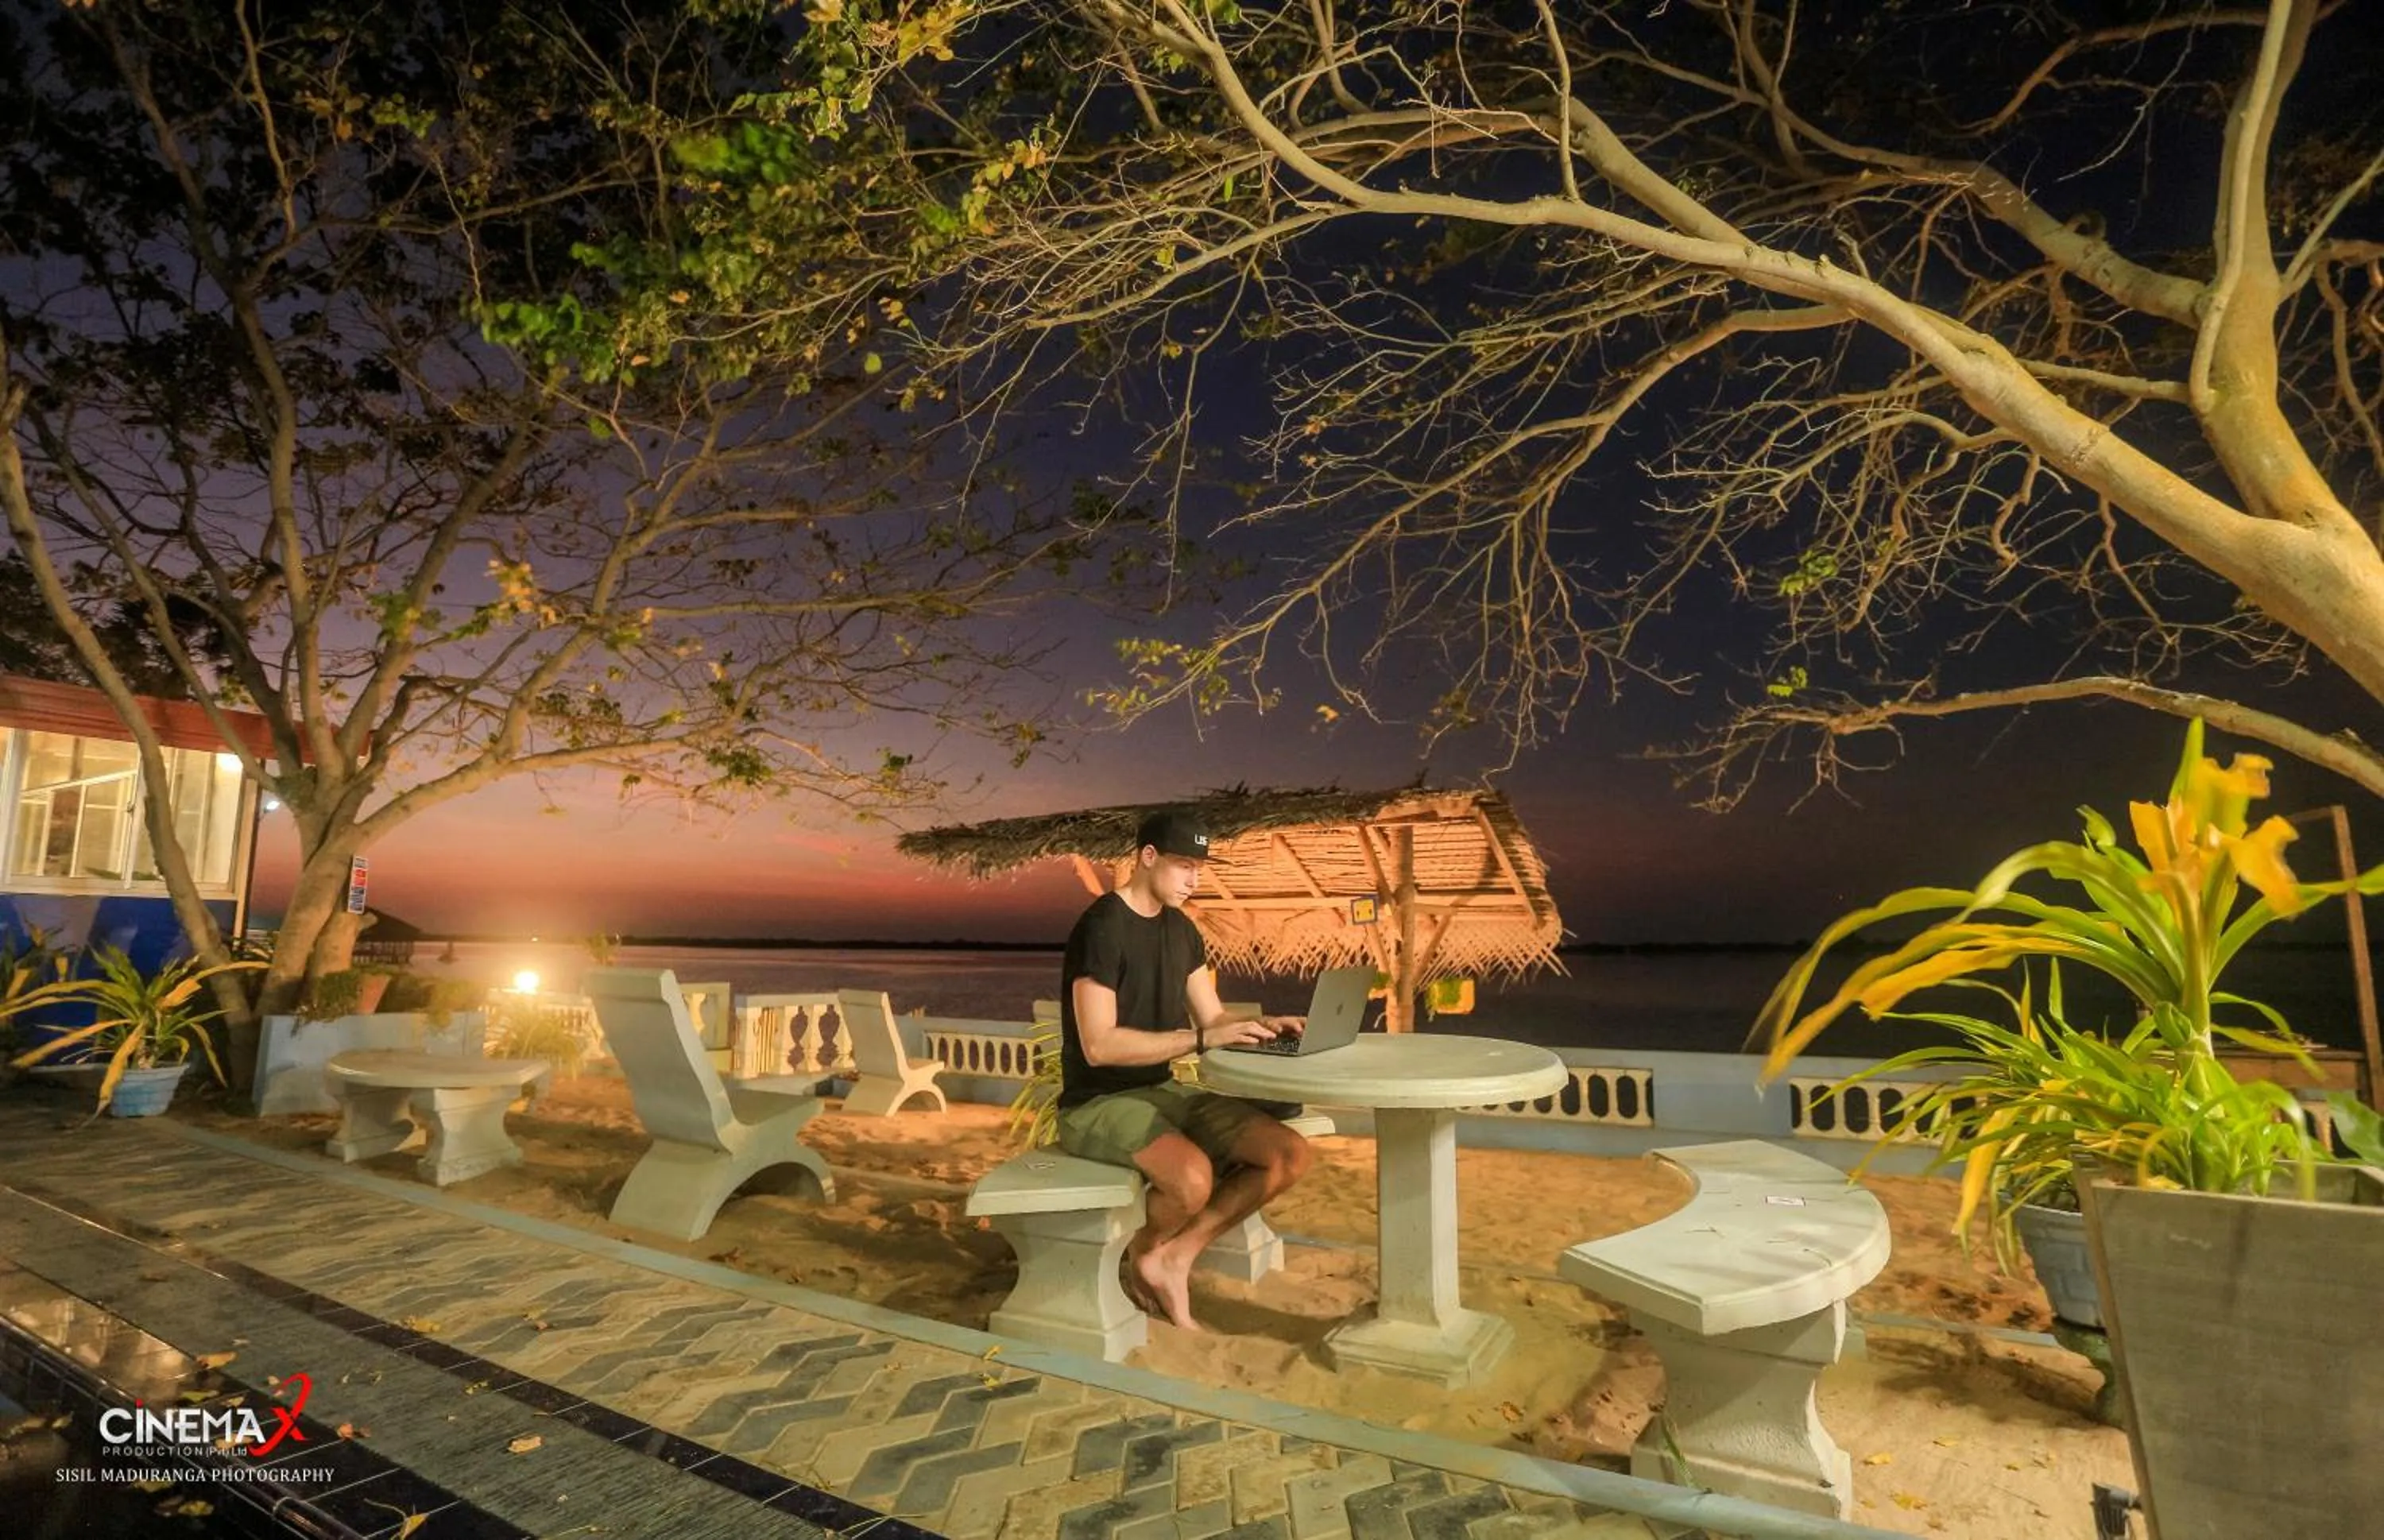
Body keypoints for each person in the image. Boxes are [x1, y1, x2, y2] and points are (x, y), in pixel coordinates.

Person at [1057, 808, 1314, 1332]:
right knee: (1192, 1180)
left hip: (1162, 1088)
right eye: (1182, 865)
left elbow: (1213, 1017)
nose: (1195, 879)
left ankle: (1174, 1256)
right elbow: (1099, 1045)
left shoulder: (1182, 930)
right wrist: (1200, 1039)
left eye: (1200, 866)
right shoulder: (1101, 927)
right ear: (1148, 857)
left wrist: (1263, 1027)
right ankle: (1145, 1251)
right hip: (1097, 1103)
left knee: (1287, 1154)